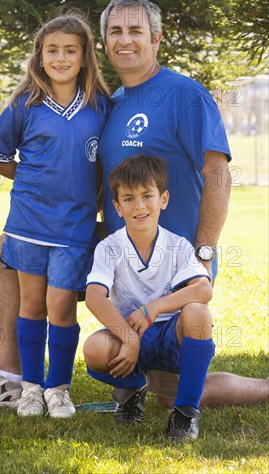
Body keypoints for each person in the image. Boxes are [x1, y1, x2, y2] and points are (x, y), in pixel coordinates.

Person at [0, 0, 269, 411]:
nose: (125, 40)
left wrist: (204, 252)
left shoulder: (186, 95)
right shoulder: (109, 103)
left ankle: (260, 387)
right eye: (115, 31)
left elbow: (218, 176)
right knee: (7, 250)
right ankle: (10, 378)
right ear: (104, 42)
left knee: (169, 397)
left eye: (135, 30)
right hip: (114, 258)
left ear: (156, 38)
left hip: (172, 263)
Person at [0, 13, 110, 418]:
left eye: (70, 50)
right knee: (31, 305)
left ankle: (59, 389)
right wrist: (32, 176)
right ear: (39, 56)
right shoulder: (26, 104)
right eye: (52, 50)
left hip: (74, 228)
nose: (60, 57)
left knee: (62, 308)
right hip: (28, 225)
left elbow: (107, 163)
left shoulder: (101, 106)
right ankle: (32, 389)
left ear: (85, 57)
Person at [84, 155, 215, 441]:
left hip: (172, 336)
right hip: (130, 333)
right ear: (117, 207)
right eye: (128, 199)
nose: (139, 206)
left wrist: (154, 307)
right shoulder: (110, 247)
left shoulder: (177, 245)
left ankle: (185, 412)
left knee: (198, 313)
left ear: (163, 199)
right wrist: (128, 337)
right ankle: (133, 387)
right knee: (94, 348)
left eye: (147, 196)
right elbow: (94, 297)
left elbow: (203, 290)